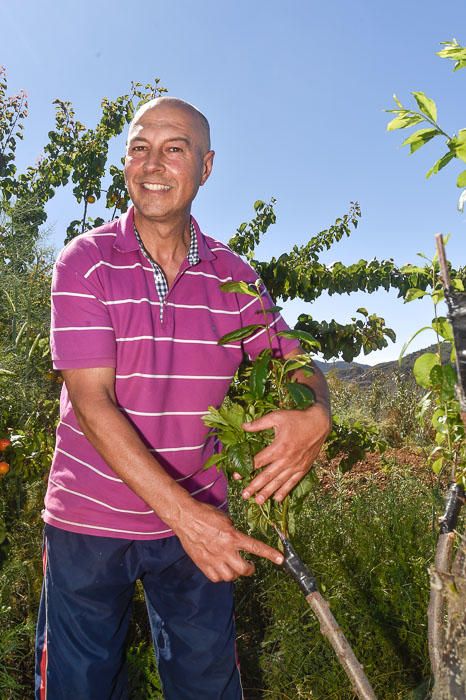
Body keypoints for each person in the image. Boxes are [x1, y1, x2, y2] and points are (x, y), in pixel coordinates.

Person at [35, 96, 331, 700]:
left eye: (174, 149)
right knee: (79, 688)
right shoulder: (85, 263)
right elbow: (93, 405)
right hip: (90, 525)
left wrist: (315, 412)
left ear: (206, 167)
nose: (152, 165)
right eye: (139, 149)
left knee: (209, 687)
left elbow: (297, 361)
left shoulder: (236, 277)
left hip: (196, 526)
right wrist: (190, 521)